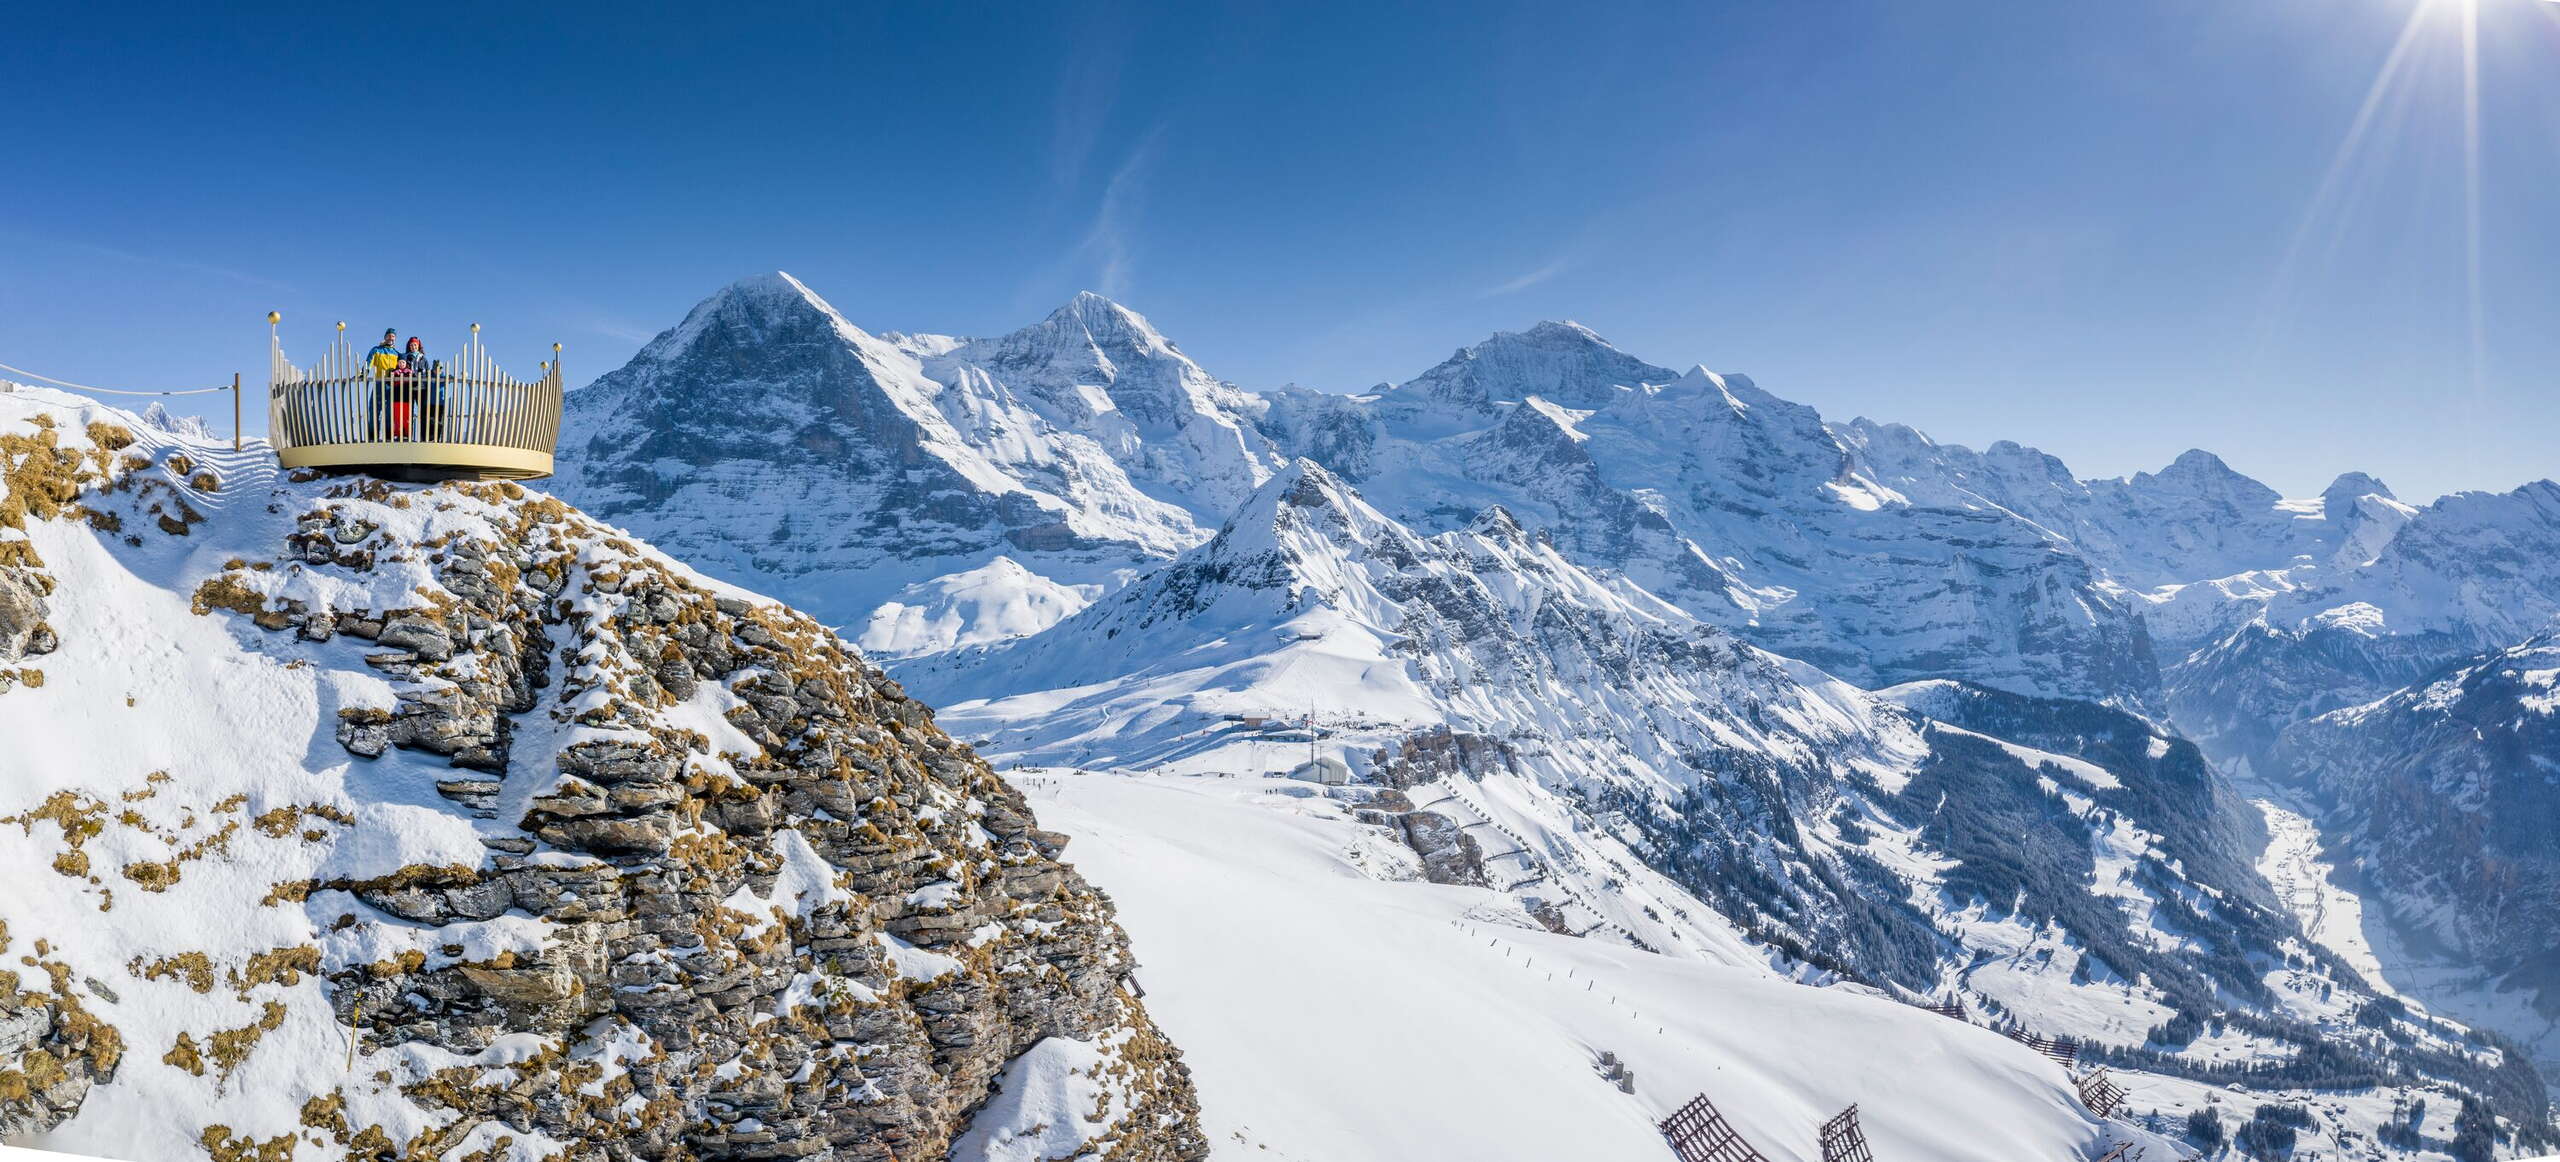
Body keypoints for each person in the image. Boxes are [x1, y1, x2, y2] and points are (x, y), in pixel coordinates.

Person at [365, 329, 402, 439]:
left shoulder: (397, 354)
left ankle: (388, 435)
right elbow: (368, 362)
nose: (391, 338)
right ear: (385, 337)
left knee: (389, 411)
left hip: (391, 385)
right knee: (374, 409)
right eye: (389, 336)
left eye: (393, 336)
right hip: (379, 382)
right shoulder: (377, 350)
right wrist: (364, 372)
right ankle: (373, 435)